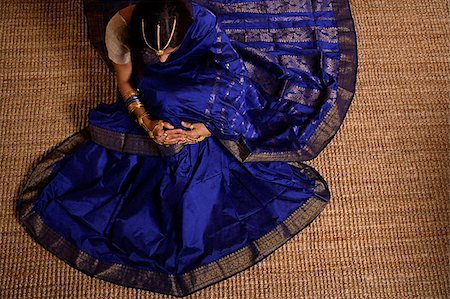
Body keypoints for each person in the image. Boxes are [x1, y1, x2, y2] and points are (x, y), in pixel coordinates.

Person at [17, 0, 357, 296]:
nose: (162, 57)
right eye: (153, 50)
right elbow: (124, 80)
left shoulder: (202, 22)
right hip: (158, 91)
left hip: (203, 78)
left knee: (194, 127)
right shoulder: (120, 26)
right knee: (165, 112)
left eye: (169, 48)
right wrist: (146, 122)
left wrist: (210, 126)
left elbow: (233, 72)